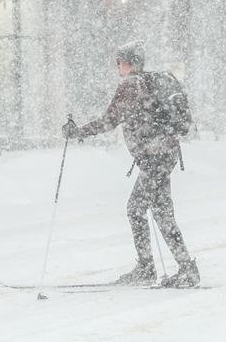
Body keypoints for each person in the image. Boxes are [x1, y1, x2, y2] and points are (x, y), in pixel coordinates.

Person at [66, 41, 199, 288]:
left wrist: (78, 132)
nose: (117, 66)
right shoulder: (151, 82)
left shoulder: (131, 85)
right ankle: (160, 267)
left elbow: (109, 120)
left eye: (120, 61)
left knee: (150, 211)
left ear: (128, 63)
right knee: (146, 210)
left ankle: (174, 269)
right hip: (163, 154)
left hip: (154, 157)